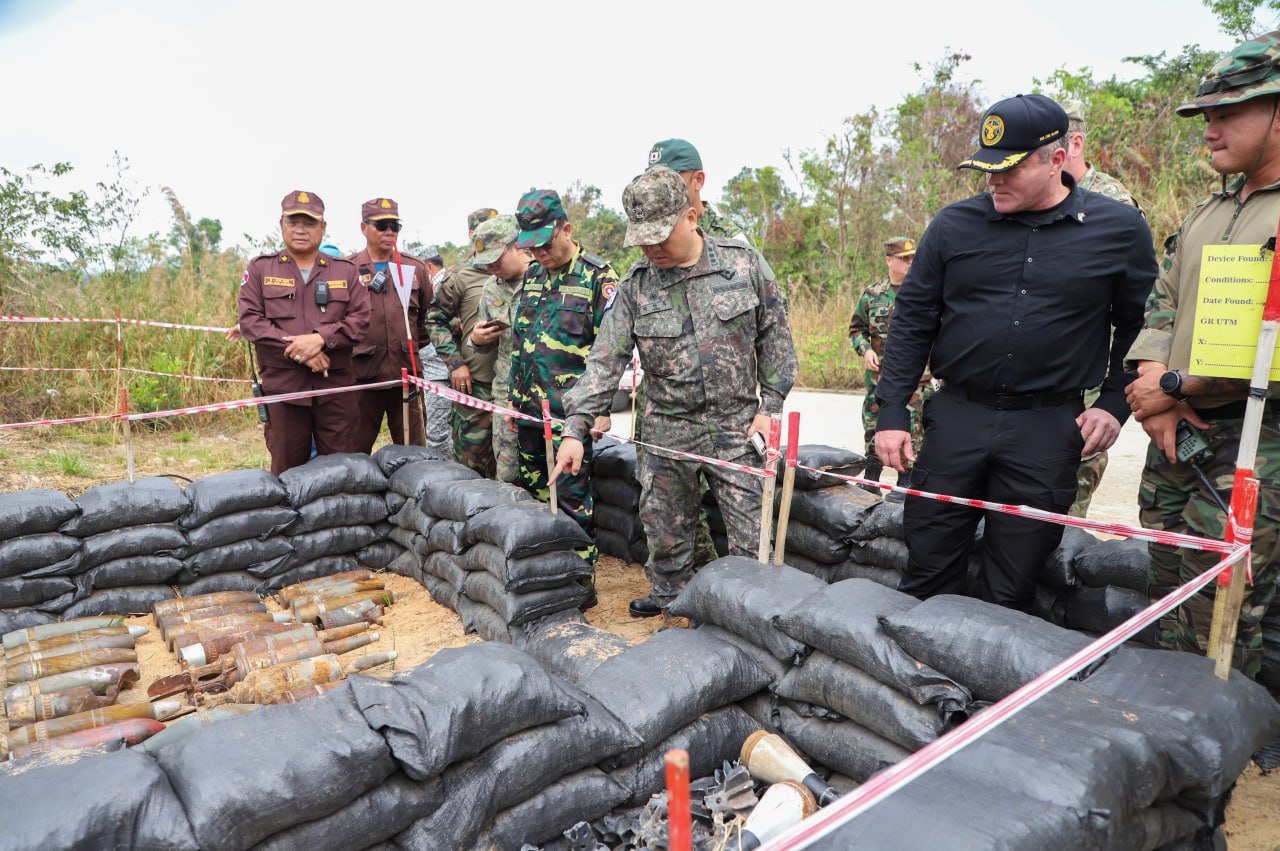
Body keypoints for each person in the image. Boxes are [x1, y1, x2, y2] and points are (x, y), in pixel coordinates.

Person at [874, 94, 1156, 612]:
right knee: (928, 563)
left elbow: (1141, 325)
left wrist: (1115, 404)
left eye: (1010, 168)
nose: (994, 181)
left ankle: (989, 688)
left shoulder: (1117, 230)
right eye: (986, 169)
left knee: (1012, 579)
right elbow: (913, 321)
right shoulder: (954, 226)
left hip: (1046, 427)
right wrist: (891, 410)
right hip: (958, 415)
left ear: (1055, 159)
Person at [553, 167, 797, 616]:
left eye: (660, 236)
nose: (651, 248)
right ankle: (674, 617)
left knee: (751, 543)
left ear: (690, 216)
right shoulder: (634, 288)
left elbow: (777, 341)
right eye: (642, 239)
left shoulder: (741, 265)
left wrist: (771, 407)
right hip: (666, 434)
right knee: (665, 541)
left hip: (737, 429)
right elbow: (604, 362)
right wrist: (575, 428)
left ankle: (746, 624)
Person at [1124, 32, 1280, 678]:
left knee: (1222, 610)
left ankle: (1219, 762)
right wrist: (1154, 395)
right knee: (1165, 593)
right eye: (1206, 116)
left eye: (1226, 114)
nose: (1209, 130)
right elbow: (1162, 305)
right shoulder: (1205, 215)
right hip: (1177, 442)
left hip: (1254, 441)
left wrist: (1177, 384)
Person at [508, 188, 618, 564]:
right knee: (535, 495)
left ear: (566, 229)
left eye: (545, 245)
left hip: (569, 416)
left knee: (572, 500)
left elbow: (612, 351)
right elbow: (521, 341)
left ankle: (579, 575)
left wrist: (600, 410)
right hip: (528, 411)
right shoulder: (533, 276)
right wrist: (512, 398)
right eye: (531, 248)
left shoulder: (598, 278)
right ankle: (549, 575)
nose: (539, 254)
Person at [238, 190, 370, 475]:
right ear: (281, 224)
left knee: (340, 471)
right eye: (293, 221)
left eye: (309, 223)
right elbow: (251, 322)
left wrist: (322, 339)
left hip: (335, 388)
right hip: (284, 391)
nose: (300, 229)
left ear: (323, 228)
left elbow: (361, 318)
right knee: (287, 472)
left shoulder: (344, 271)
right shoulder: (261, 269)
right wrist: (302, 353)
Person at [1062, 100, 1143, 517]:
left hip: (1090, 372)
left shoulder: (1112, 203)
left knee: (1071, 479)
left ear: (1075, 143)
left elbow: (1135, 306)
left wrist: (1112, 395)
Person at [346, 197, 432, 453]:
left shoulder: (414, 268)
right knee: (354, 452)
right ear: (364, 228)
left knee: (414, 451)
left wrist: (410, 348)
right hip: (362, 379)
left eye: (395, 226)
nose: (389, 232)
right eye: (381, 225)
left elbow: (427, 322)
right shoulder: (348, 269)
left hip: (407, 377)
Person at [848, 236, 930, 493]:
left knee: (913, 426)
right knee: (873, 423)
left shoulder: (924, 293)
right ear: (888, 260)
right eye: (904, 258)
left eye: (912, 258)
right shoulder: (873, 295)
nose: (910, 262)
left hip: (916, 378)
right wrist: (865, 350)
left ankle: (905, 481)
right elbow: (856, 329)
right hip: (878, 377)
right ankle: (872, 477)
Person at [425, 209, 501, 476]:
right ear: (472, 235)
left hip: (514, 391)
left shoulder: (521, 271)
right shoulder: (459, 277)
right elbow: (434, 321)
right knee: (471, 471)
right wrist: (456, 363)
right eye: (483, 230)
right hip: (475, 389)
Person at [471, 214, 531, 484]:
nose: (492, 267)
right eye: (487, 263)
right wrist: (477, 340)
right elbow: (483, 345)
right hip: (505, 393)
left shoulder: (545, 281)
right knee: (507, 474)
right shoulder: (489, 290)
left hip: (545, 394)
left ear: (516, 246)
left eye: (497, 259)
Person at [647, 138, 751, 243]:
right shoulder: (652, 236)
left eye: (670, 180)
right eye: (654, 181)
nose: (661, 189)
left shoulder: (730, 239)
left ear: (698, 180)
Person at [418, 246, 453, 455]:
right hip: (442, 370)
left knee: (438, 434)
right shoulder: (447, 283)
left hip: (439, 371)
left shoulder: (439, 288)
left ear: (427, 267)